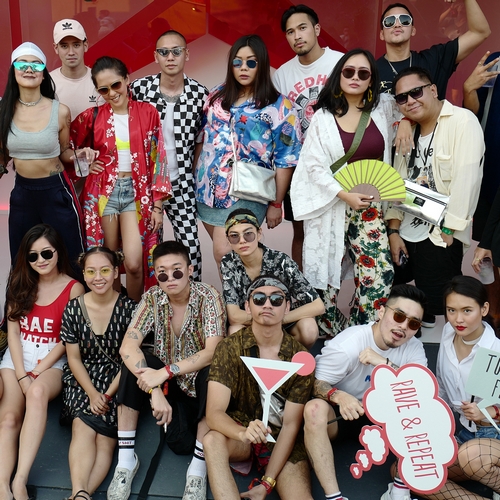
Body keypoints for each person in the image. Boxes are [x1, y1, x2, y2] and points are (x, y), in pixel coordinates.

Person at [290, 48, 398, 337]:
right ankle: (334, 334)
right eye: (349, 71)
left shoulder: (382, 110)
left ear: (371, 79)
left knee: (378, 275)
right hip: (332, 204)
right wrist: (342, 194)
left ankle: (361, 333)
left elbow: (412, 109)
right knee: (324, 279)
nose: (355, 77)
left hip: (369, 206)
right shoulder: (322, 118)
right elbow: (313, 165)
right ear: (339, 75)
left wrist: (406, 125)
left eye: (363, 73)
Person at [107, 241, 226, 500]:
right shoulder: (153, 297)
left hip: (195, 380)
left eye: (177, 270)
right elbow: (128, 346)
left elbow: (212, 351)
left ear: (190, 270)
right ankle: (125, 462)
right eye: (162, 273)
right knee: (133, 364)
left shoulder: (208, 296)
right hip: (167, 385)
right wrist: (155, 389)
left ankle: (197, 471)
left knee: (214, 373)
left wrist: (165, 373)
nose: (170, 278)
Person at [303, 284, 427, 500]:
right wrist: (338, 396)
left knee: (420, 407)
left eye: (413, 323)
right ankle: (334, 497)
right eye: (399, 316)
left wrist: (384, 364)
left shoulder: (413, 347)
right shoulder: (348, 345)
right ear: (381, 312)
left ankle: (400, 491)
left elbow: (423, 391)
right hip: (344, 414)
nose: (404, 326)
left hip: (385, 419)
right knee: (314, 409)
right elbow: (313, 382)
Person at [386, 67, 484, 327]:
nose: (410, 101)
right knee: (396, 302)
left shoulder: (462, 121)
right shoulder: (407, 131)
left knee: (440, 307)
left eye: (416, 92)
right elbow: (396, 184)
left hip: (439, 234)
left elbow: (467, 181)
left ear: (433, 90)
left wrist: (449, 229)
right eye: (402, 98)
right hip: (405, 231)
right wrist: (393, 231)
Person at [195, 34, 301, 268]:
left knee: (224, 252)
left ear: (261, 65)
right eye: (238, 62)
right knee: (232, 260)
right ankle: (245, 293)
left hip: (249, 190)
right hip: (207, 190)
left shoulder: (279, 106)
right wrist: (193, 179)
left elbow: (286, 158)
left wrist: (276, 204)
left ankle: (250, 292)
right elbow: (202, 138)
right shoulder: (216, 95)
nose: (243, 68)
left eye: (251, 62)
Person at [70, 56, 172, 302]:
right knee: (109, 261)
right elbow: (68, 149)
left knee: (135, 263)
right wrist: (86, 163)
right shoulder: (91, 116)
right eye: (103, 90)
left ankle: (135, 314)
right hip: (103, 191)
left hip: (137, 193)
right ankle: (115, 313)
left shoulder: (147, 112)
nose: (112, 93)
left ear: (127, 80)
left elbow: (158, 158)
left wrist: (158, 205)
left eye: (116, 85)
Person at [204, 276, 315, 500]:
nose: (267, 304)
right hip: (240, 432)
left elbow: (290, 426)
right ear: (247, 306)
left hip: (281, 439)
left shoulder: (300, 358)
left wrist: (267, 483)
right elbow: (214, 413)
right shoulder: (229, 347)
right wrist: (242, 433)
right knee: (212, 440)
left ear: (287, 307)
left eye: (276, 299)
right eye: (259, 299)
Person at [0, 224, 84, 500]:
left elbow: (67, 339)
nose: (41, 260)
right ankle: (2, 486)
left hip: (51, 358)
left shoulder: (74, 288)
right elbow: (13, 332)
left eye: (46, 253)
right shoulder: (20, 283)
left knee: (36, 393)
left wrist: (36, 372)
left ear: (58, 252)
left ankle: (20, 480)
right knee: (9, 419)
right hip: (18, 356)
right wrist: (21, 374)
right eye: (33, 256)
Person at [399, 275, 500, 500]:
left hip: (495, 435)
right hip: (466, 434)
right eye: (451, 310)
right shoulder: (448, 333)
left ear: (484, 309)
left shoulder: (495, 351)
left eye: (467, 310)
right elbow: (442, 387)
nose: (457, 319)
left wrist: (490, 411)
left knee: (471, 457)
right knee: (408, 471)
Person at [0, 42, 84, 272]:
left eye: (36, 64)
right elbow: (2, 157)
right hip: (23, 193)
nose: (29, 69)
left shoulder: (60, 111)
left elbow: (64, 152)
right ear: (13, 70)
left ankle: (76, 296)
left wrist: (79, 156)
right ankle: (24, 298)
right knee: (22, 257)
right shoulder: (3, 111)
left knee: (72, 254)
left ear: (44, 73)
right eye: (22, 64)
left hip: (56, 190)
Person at [131, 30, 208, 281]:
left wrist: (190, 173)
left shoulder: (199, 94)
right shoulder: (139, 89)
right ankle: (154, 300)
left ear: (187, 54)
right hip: (146, 186)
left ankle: (193, 298)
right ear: (156, 56)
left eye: (176, 51)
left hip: (182, 183)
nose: (170, 57)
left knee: (190, 248)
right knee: (150, 249)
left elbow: (201, 139)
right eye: (164, 52)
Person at [60, 247, 136, 500]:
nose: (98, 277)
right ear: (83, 274)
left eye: (104, 270)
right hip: (83, 378)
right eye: (91, 272)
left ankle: (82, 495)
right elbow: (73, 358)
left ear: (115, 272)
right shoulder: (73, 309)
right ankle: (80, 491)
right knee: (82, 426)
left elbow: (130, 359)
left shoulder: (130, 309)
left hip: (118, 378)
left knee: (105, 438)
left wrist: (106, 395)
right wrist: (93, 394)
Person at [273, 4, 343, 270]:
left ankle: (332, 292)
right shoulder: (282, 74)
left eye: (302, 28)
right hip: (300, 167)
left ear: (317, 29)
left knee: (340, 233)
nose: (297, 36)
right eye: (290, 32)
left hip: (337, 162)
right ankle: (301, 289)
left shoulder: (340, 63)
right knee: (301, 233)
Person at [221, 208, 324, 348]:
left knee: (309, 329)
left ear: (259, 234)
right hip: (251, 324)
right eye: (234, 236)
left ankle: (290, 359)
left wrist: (277, 318)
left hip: (282, 321)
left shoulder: (280, 260)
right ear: (228, 240)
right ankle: (253, 361)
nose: (242, 241)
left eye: (248, 234)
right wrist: (264, 319)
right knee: (235, 331)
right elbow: (234, 316)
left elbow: (317, 306)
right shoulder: (228, 262)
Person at [377, 1, 490, 98]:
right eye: (389, 21)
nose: (397, 25)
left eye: (404, 20)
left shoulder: (435, 59)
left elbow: (480, 32)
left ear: (413, 30)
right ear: (382, 34)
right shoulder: (371, 71)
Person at [50, 19, 100, 121]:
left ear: (85, 46)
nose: (71, 52)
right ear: (56, 48)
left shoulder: (100, 80)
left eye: (76, 45)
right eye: (64, 46)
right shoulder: (48, 82)